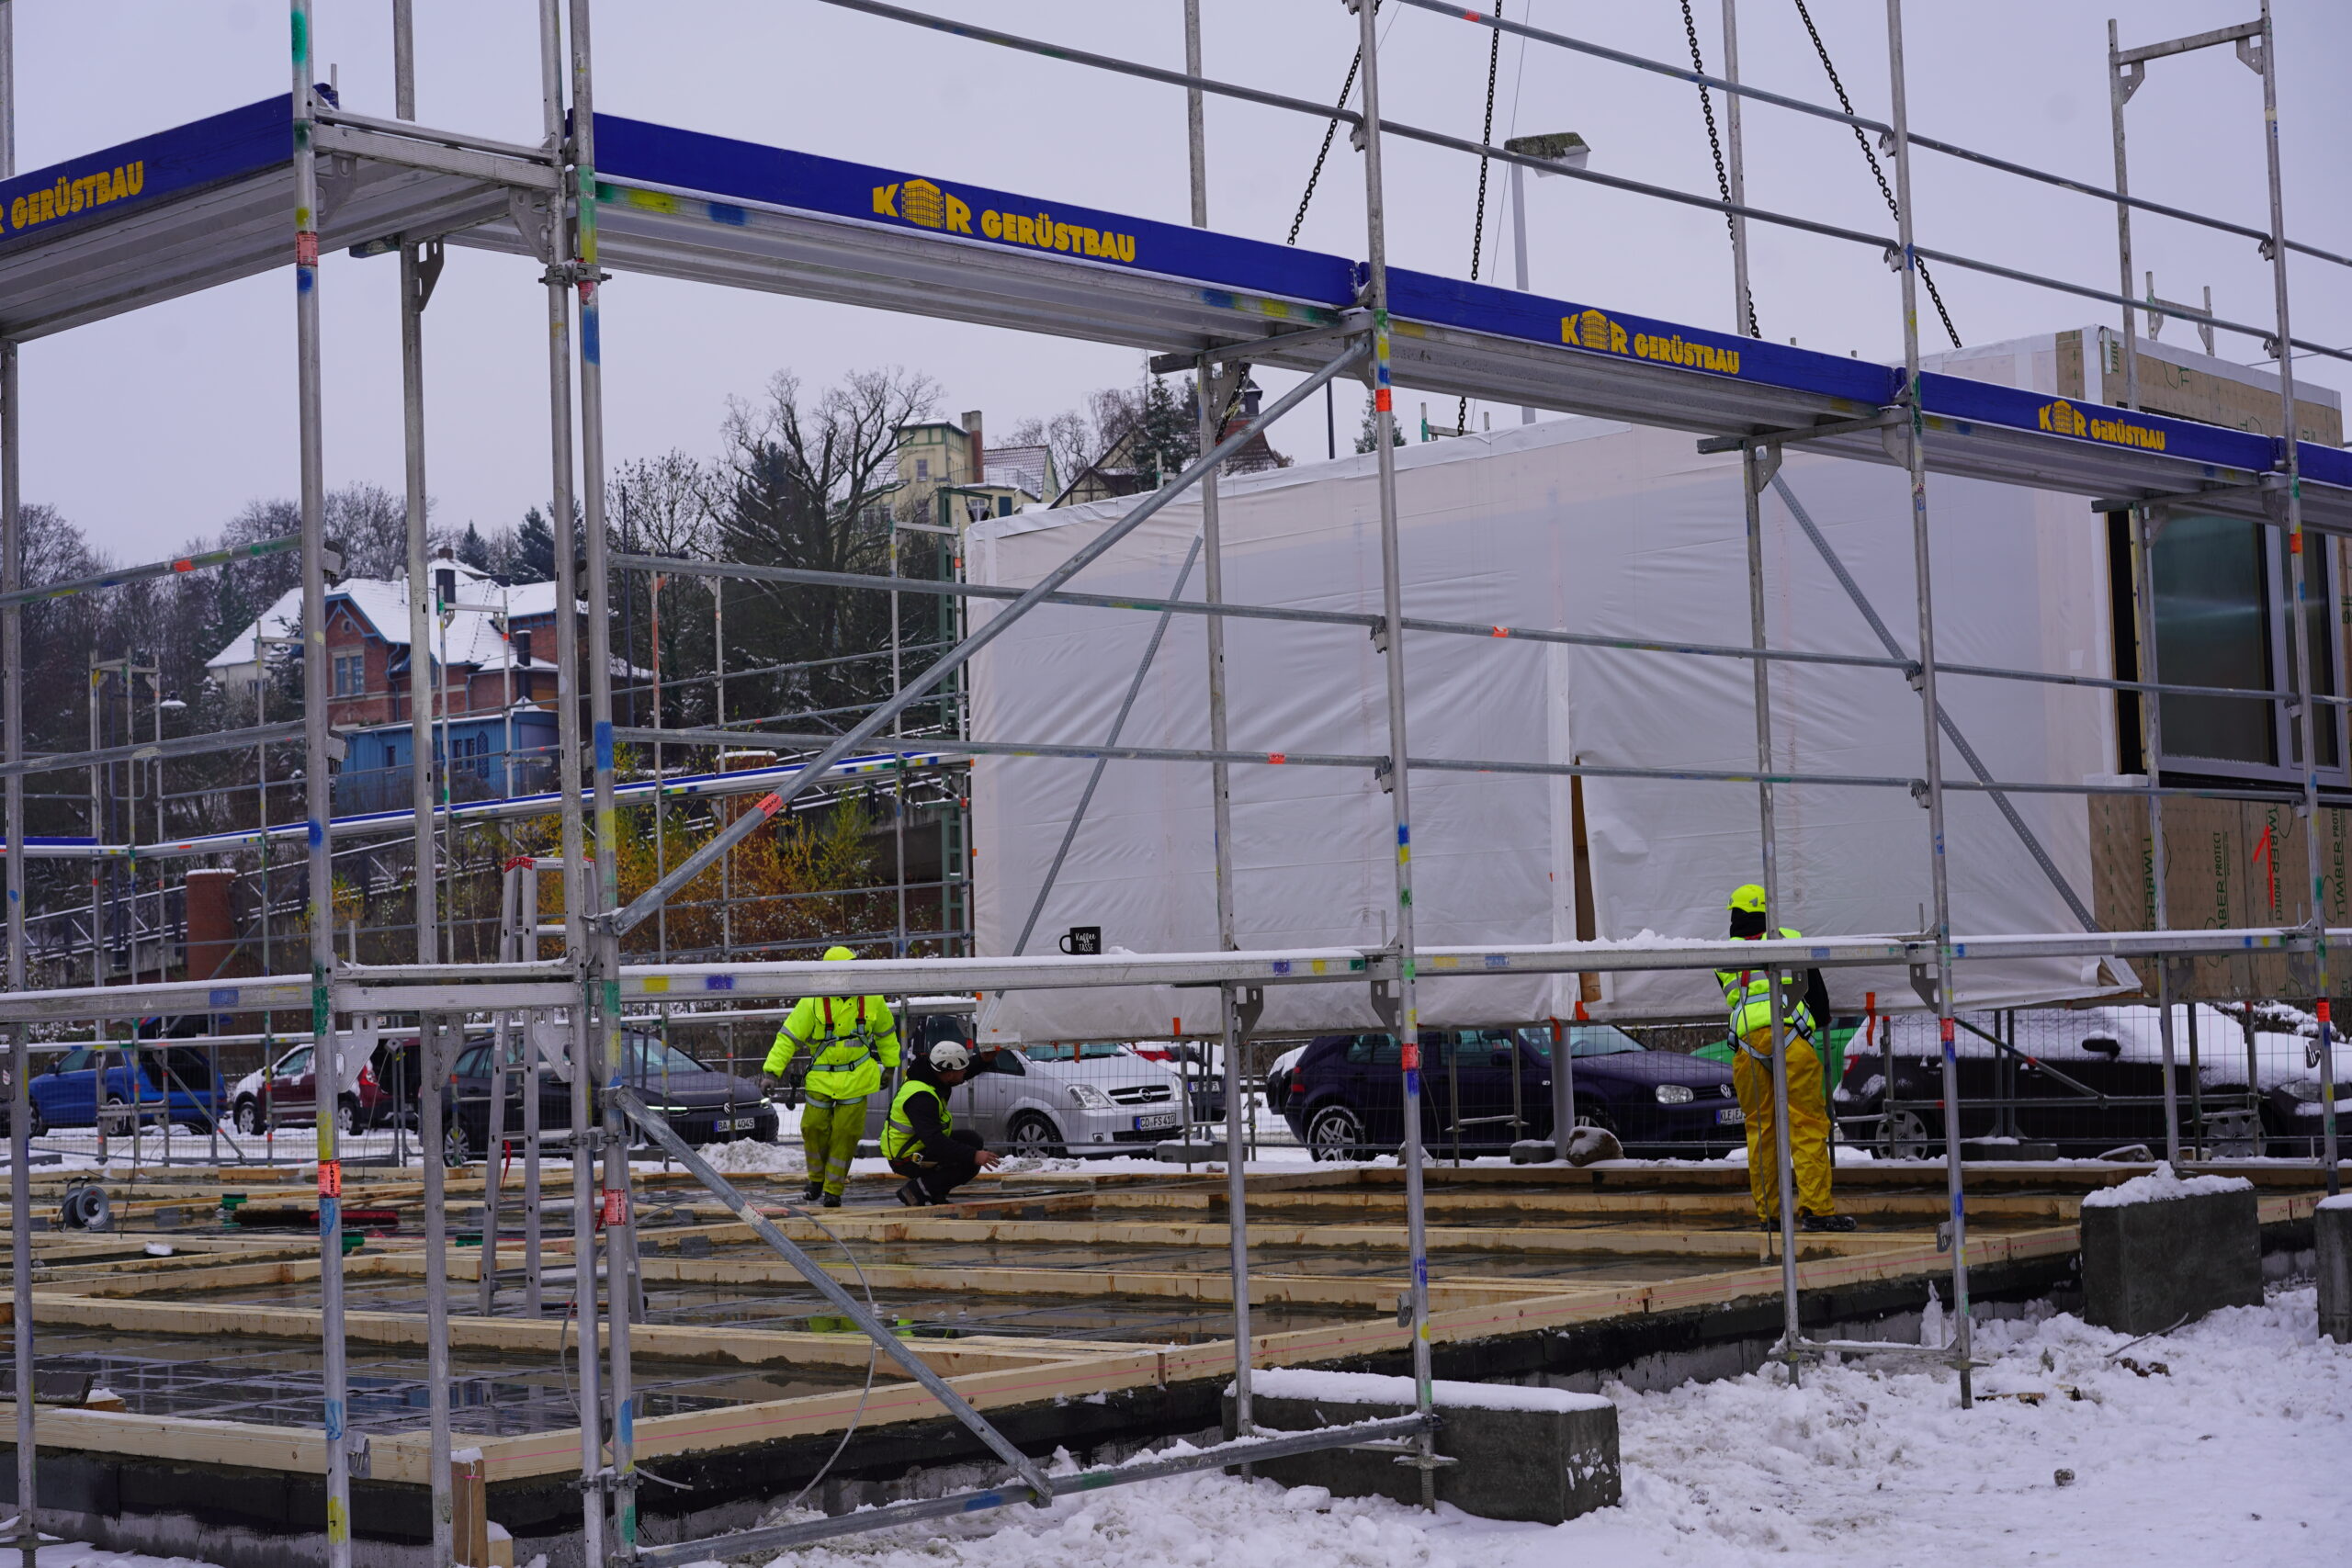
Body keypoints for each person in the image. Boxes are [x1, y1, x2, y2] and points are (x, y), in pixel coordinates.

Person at [1716, 884, 1857, 1233]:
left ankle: (1770, 1215)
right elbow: (1819, 1004)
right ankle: (1817, 1211)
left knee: (1761, 1131)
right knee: (1807, 1124)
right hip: (1791, 1039)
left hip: (1747, 1046)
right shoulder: (1790, 939)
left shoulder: (1722, 955)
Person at [762, 945, 900, 1208]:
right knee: (812, 1129)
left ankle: (833, 1189)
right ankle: (817, 1180)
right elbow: (788, 1038)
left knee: (845, 1134)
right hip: (821, 1079)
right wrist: (772, 1071)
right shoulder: (812, 1001)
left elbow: (886, 1034)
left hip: (857, 1078)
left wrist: (891, 1065)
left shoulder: (872, 999)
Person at [882, 1037, 1000, 1207]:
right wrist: (974, 1155)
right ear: (949, 1073)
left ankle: (933, 1191)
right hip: (908, 1158)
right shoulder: (921, 1098)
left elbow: (964, 1070)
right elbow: (936, 1142)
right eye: (962, 1070)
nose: (965, 1073)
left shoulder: (931, 1077)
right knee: (969, 1159)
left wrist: (983, 1059)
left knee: (972, 1141)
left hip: (918, 1146)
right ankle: (916, 1191)